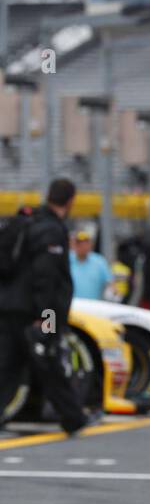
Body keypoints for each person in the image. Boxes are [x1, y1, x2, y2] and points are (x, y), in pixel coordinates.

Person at [0, 179, 89, 435]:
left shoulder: (26, 222)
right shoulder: (51, 230)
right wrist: (45, 317)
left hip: (9, 309)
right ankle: (73, 418)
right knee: (49, 359)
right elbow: (46, 277)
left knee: (8, 367)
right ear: (70, 200)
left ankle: (73, 417)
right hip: (37, 312)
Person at [69, 229, 112, 301]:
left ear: (90, 245)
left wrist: (111, 292)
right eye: (79, 244)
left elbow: (109, 282)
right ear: (74, 245)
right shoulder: (68, 260)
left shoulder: (99, 261)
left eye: (86, 243)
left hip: (93, 307)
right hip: (72, 306)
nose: (83, 246)